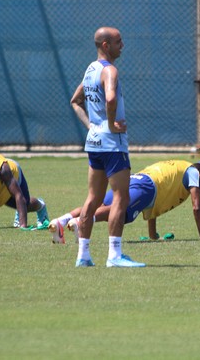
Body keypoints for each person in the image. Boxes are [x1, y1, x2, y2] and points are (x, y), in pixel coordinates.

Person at [69, 26, 144, 268]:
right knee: (121, 197)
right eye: (118, 42)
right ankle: (114, 256)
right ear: (105, 45)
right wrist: (111, 124)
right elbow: (110, 98)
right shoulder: (110, 70)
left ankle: (83, 255)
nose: (122, 45)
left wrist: (93, 126)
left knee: (93, 198)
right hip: (113, 144)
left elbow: (75, 101)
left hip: (95, 143)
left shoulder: (90, 68)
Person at [48, 160, 200, 244]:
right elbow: (196, 208)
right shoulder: (193, 172)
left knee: (99, 205)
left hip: (137, 179)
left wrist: (153, 236)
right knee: (120, 212)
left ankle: (61, 221)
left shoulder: (177, 167)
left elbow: (154, 207)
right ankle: (79, 222)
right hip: (147, 186)